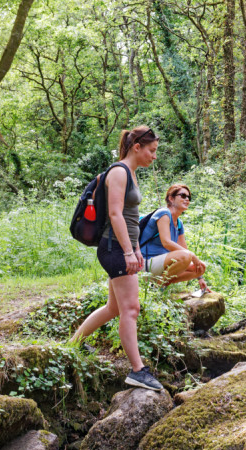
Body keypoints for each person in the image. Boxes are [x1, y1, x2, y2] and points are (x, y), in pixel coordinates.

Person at [71, 126, 162, 391]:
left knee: (114, 308)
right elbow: (115, 214)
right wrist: (126, 251)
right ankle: (137, 370)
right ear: (137, 147)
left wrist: (135, 249)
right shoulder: (120, 172)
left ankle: (73, 344)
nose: (154, 157)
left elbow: (131, 219)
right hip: (113, 248)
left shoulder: (130, 172)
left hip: (121, 247)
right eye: (152, 151)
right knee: (130, 309)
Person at [140, 183, 208, 291]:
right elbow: (166, 242)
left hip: (160, 265)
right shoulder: (163, 213)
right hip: (145, 263)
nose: (187, 199)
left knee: (200, 267)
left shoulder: (179, 223)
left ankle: (159, 285)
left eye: (189, 197)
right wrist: (192, 255)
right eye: (183, 196)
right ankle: (157, 290)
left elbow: (184, 249)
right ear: (171, 198)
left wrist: (200, 277)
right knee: (185, 256)